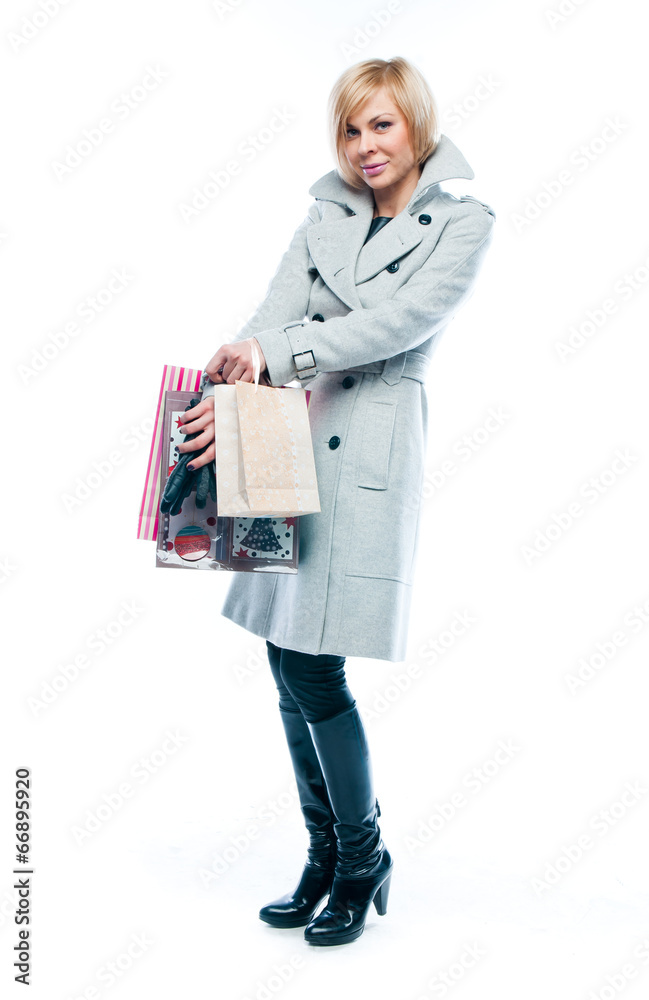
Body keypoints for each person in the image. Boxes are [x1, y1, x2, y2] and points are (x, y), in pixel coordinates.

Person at [175, 56, 496, 946]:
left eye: (381, 126)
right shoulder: (325, 213)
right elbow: (274, 312)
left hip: (370, 445)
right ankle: (326, 855)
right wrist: (236, 367)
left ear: (417, 125)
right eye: (351, 130)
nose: (364, 147)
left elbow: (394, 325)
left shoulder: (463, 225)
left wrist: (279, 350)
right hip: (289, 439)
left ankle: (362, 859)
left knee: (317, 665)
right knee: (286, 658)